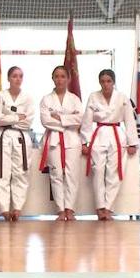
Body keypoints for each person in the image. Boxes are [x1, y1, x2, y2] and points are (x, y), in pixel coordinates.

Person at [83, 68, 138, 221]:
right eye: (103, 81)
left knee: (114, 173)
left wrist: (132, 142)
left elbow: (129, 120)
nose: (106, 84)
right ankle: (99, 207)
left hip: (117, 135)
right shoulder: (93, 96)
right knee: (98, 170)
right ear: (99, 82)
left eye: (109, 81)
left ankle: (108, 208)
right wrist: (85, 141)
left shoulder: (122, 97)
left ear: (113, 82)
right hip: (99, 135)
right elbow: (87, 120)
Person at [0, 66, 35, 221]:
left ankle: (17, 208)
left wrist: (7, 117)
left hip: (21, 137)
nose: (18, 79)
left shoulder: (27, 98)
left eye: (20, 76)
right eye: (14, 76)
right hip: (3, 137)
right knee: (2, 172)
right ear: (8, 78)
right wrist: (17, 118)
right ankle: (3, 209)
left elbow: (28, 121)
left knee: (21, 173)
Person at [40, 66, 85, 221]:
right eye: (57, 76)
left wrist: (59, 117)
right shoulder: (46, 99)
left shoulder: (74, 99)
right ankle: (60, 210)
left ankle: (70, 209)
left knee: (72, 175)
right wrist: (68, 121)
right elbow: (45, 121)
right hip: (54, 140)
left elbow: (80, 119)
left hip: (72, 141)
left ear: (68, 79)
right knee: (56, 174)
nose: (59, 80)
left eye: (63, 76)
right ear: (53, 79)